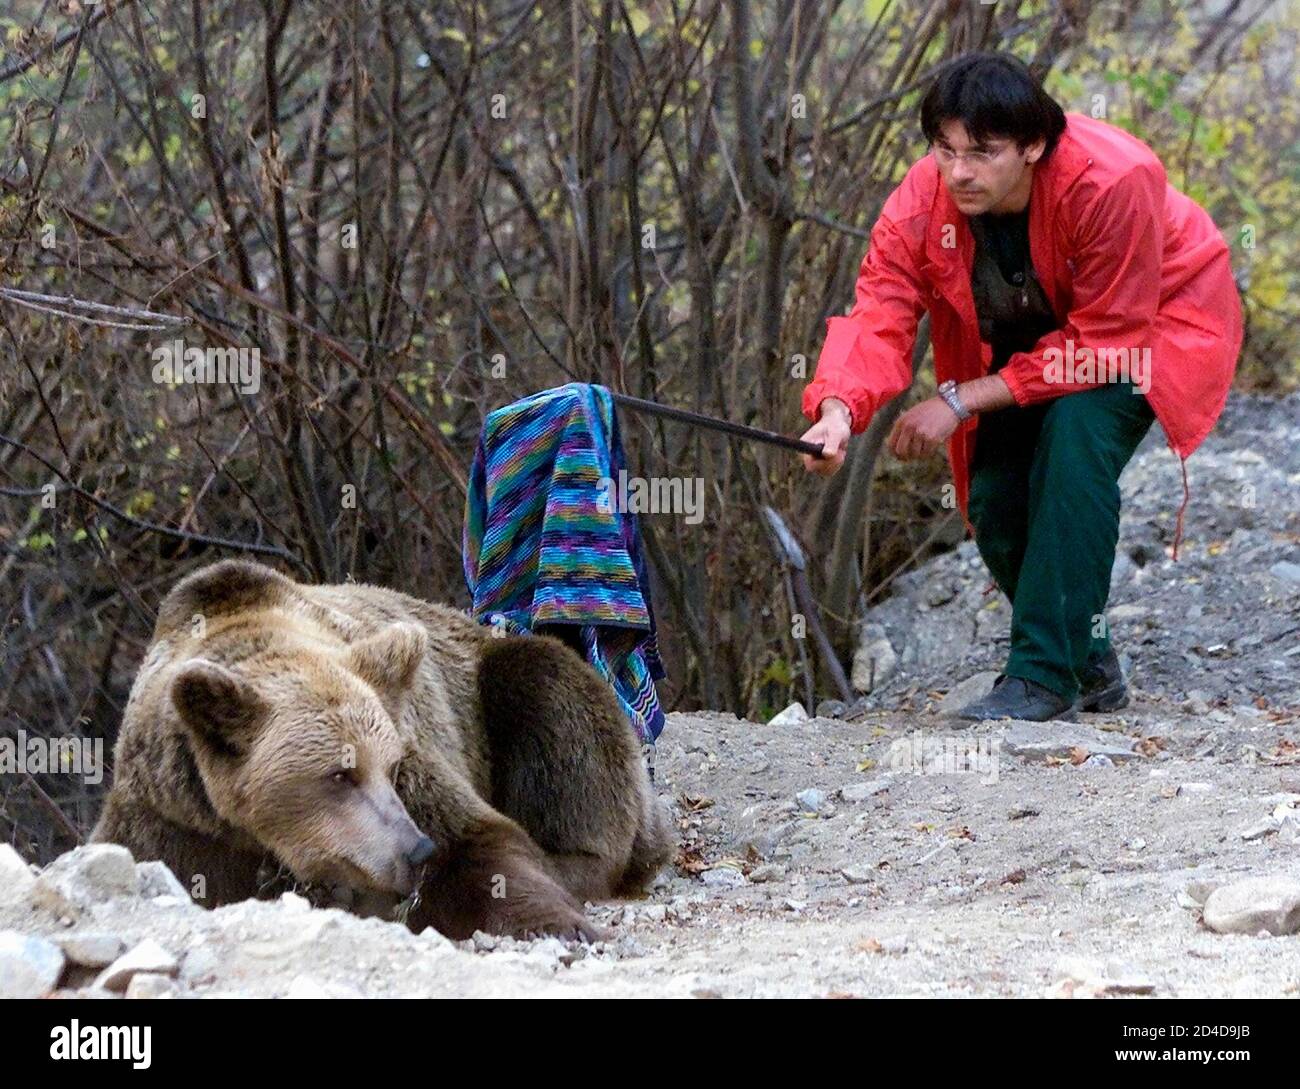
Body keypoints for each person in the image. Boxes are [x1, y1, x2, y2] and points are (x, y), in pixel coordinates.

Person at [799, 52, 1242, 721]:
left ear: (1035, 145)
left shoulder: (1115, 179)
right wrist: (837, 410)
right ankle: (1086, 660)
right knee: (996, 496)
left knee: (1072, 453)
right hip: (1032, 340)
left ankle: (1041, 677)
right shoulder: (923, 201)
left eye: (982, 152)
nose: (959, 172)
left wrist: (958, 399)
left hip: (1144, 326)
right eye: (945, 150)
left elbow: (1105, 343)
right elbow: (880, 310)